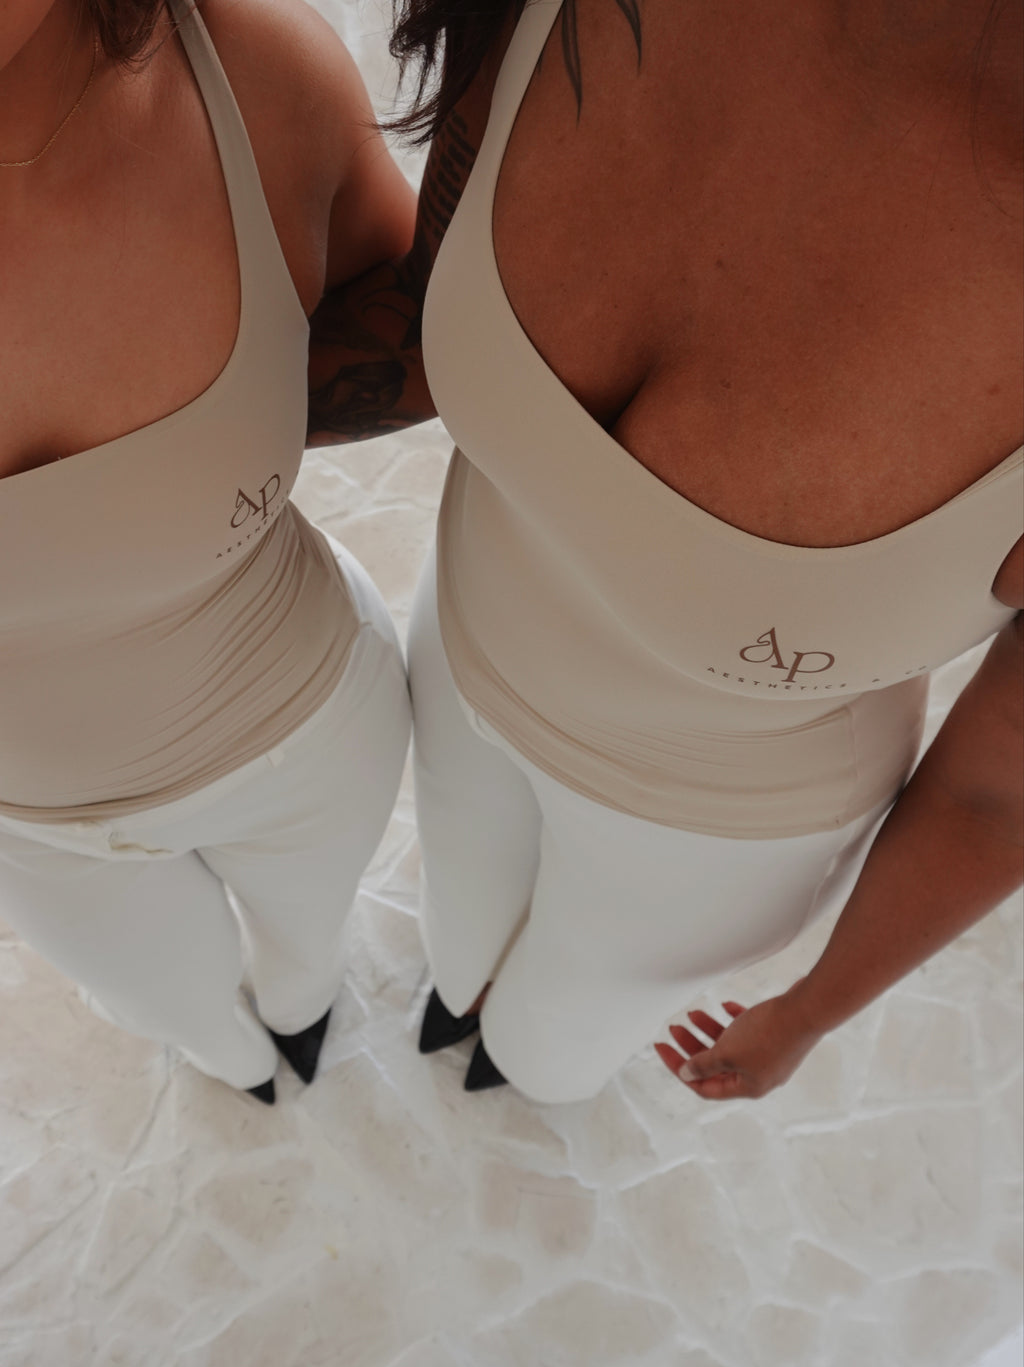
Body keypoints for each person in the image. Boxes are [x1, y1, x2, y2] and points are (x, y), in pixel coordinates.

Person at [307, 0, 1023, 1104]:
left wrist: (810, 1012)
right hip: (461, 650)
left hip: (709, 836)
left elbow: (996, 796)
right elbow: (417, 309)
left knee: (552, 1053)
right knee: (457, 938)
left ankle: (520, 1070)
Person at [0, 0, 416, 1102]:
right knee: (174, 1009)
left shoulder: (253, 71)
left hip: (307, 730)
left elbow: (421, 325)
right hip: (30, 827)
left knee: (309, 959)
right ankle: (238, 1066)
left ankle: (300, 1022)